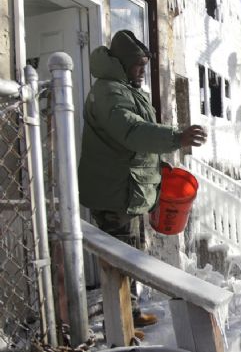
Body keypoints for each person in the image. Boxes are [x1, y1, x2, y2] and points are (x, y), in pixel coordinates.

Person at [78, 30, 207, 329]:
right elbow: (132, 132)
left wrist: (159, 168)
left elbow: (136, 140)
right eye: (138, 65)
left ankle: (129, 316)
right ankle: (121, 326)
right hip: (115, 194)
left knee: (130, 256)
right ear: (123, 63)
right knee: (120, 260)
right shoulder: (110, 91)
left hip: (128, 190)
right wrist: (177, 137)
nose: (142, 71)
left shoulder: (126, 89)